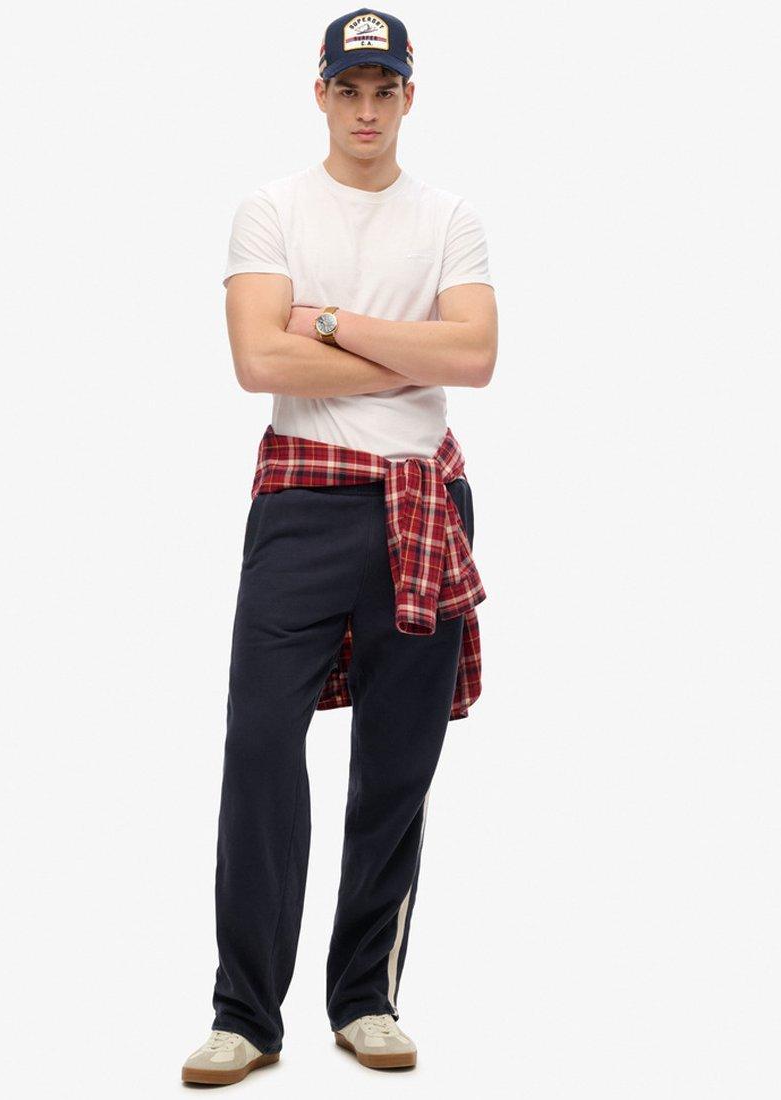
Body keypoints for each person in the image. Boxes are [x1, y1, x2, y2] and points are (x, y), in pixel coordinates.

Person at [182, 6, 497, 1086]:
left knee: (397, 763)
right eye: (349, 89)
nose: (367, 109)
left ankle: (365, 998)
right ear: (319, 93)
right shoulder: (270, 210)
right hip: (302, 505)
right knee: (259, 748)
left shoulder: (450, 217)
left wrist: (323, 322)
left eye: (385, 90)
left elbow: (478, 355)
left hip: (421, 501)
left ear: (410, 96)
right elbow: (256, 365)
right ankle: (244, 1014)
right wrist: (413, 354)